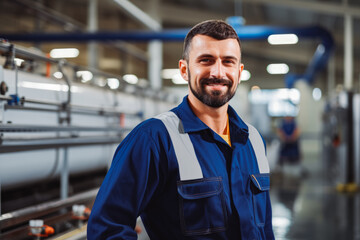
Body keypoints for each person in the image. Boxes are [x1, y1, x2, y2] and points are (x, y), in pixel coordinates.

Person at [87, 20, 275, 239]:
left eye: (228, 62)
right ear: (184, 70)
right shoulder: (154, 139)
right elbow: (107, 228)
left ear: (239, 71)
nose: (218, 72)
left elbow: (264, 228)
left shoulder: (253, 140)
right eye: (206, 60)